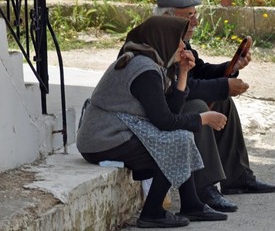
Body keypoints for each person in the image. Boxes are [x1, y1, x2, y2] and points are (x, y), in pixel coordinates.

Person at [76, 16, 228, 229]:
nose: (184, 46)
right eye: (178, 40)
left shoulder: (151, 63)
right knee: (177, 140)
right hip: (103, 139)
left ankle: (191, 204)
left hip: (118, 132)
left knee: (179, 138)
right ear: (163, 39)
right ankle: (152, 213)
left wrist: (183, 73)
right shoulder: (143, 69)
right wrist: (203, 119)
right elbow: (164, 122)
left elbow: (170, 111)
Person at [152, 0, 275, 210]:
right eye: (188, 16)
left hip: (173, 103)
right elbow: (183, 87)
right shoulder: (159, 41)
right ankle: (204, 189)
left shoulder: (179, 39)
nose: (195, 22)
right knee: (199, 107)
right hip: (156, 113)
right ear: (166, 17)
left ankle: (237, 176)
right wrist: (224, 85)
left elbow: (198, 71)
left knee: (222, 101)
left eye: (195, 15)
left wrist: (231, 68)